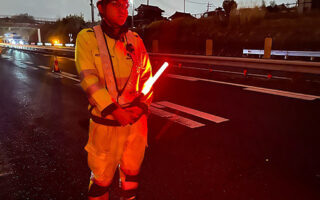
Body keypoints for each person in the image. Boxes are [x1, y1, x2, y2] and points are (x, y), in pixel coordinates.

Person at [75, 0, 153, 199]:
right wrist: (114, 111)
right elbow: (88, 79)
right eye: (117, 4)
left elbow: (147, 78)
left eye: (126, 5)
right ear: (101, 7)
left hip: (135, 124)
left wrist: (141, 107)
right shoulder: (87, 38)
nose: (123, 10)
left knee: (132, 174)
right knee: (101, 180)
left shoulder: (135, 39)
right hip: (106, 122)